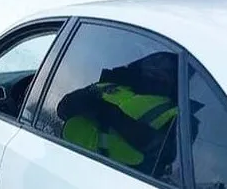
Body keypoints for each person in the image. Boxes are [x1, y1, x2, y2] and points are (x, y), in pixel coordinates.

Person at [57, 51, 201, 176]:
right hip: (62, 161)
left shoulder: (182, 117)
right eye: (153, 62)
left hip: (117, 179)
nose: (156, 69)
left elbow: (164, 154)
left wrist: (109, 113)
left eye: (167, 69)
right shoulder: (108, 86)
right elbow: (62, 110)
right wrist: (83, 101)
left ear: (179, 81)